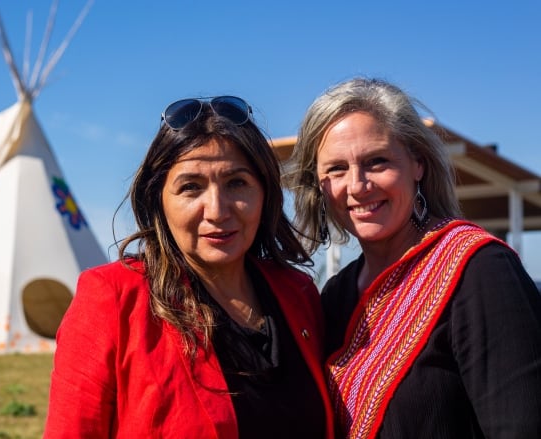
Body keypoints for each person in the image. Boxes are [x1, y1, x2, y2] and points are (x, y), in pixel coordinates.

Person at [44, 96, 335, 438]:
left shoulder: (298, 294)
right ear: (158, 200)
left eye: (236, 183)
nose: (217, 210)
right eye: (191, 187)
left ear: (265, 193)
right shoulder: (114, 298)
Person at [288, 77, 541, 438]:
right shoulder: (336, 295)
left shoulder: (479, 270)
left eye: (377, 162)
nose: (358, 186)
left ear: (417, 164)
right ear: (320, 185)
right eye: (337, 169)